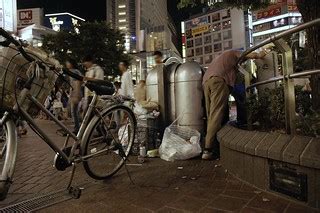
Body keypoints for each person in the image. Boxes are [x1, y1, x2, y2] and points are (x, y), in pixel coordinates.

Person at [202, 48, 270, 160]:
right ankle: (208, 150)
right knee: (216, 116)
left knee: (211, 115)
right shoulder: (233, 52)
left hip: (206, 82)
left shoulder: (220, 58)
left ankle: (212, 145)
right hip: (219, 81)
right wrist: (262, 54)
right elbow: (251, 54)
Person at [66, 58, 83, 134]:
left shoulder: (74, 71)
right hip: (74, 93)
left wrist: (76, 93)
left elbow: (78, 82)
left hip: (76, 93)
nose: (67, 64)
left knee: (74, 111)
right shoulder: (73, 71)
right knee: (75, 111)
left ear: (71, 63)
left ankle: (77, 128)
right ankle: (79, 127)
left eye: (68, 62)